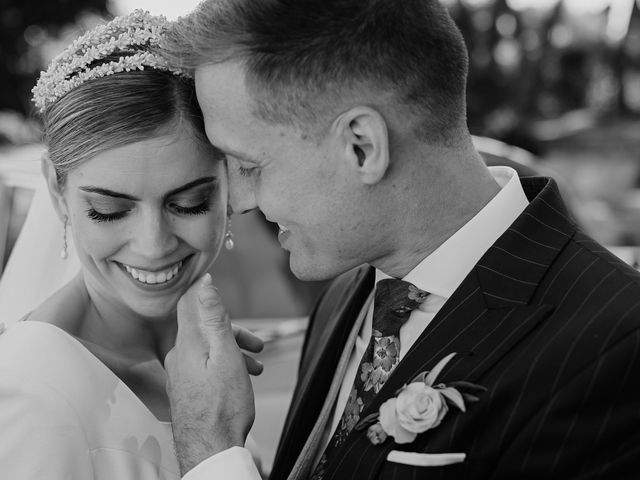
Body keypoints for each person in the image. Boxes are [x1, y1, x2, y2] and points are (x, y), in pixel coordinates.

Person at [162, 0, 640, 479]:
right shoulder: (346, 292)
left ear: (362, 147)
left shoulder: (618, 350)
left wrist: (213, 454)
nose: (239, 201)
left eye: (248, 165)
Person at [0, 10, 263, 479]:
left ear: (228, 185)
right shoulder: (27, 396)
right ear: (57, 193)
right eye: (109, 210)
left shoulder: (203, 365)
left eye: (189, 203)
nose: (154, 245)